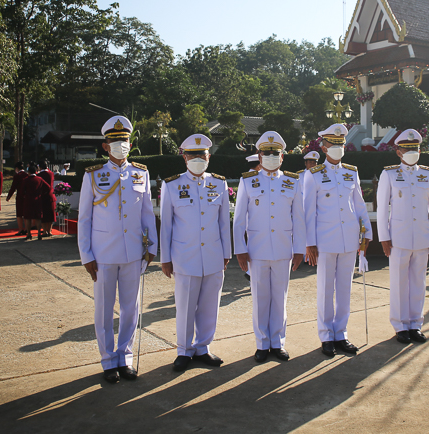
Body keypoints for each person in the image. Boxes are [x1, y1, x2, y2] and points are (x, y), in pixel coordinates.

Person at [78, 116, 157, 383]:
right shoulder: (93, 175)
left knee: (130, 308)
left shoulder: (141, 173)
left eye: (123, 141)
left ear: (130, 144)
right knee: (103, 309)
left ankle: (125, 357)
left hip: (133, 252)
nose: (119, 145)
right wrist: (86, 254)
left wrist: (151, 246)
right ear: (105, 146)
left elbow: (147, 213)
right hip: (103, 255)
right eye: (114, 141)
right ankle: (108, 360)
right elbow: (85, 219)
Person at [160, 133, 231, 372]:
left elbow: (224, 223)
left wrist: (226, 253)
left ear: (209, 157)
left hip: (213, 254)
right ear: (184, 158)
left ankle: (203, 347)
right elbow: (167, 226)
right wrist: (166, 258)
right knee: (186, 306)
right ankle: (183, 350)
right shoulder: (172, 185)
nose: (198, 159)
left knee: (210, 305)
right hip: (184, 257)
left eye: (202, 154)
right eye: (193, 155)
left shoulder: (219, 183)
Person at [233, 131, 305, 363]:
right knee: (260, 298)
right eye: (267, 153)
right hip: (257, 250)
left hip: (284, 249)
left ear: (282, 157)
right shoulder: (247, 181)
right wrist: (240, 249)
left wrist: (299, 249)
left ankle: (278, 342)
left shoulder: (292, 181)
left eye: (276, 153)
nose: (272, 156)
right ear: (259, 155)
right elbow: (239, 219)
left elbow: (299, 218)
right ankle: (262, 343)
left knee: (280, 298)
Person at [303, 123, 371, 357]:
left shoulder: (351, 172)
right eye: (333, 144)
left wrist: (367, 233)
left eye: (341, 144)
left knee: (344, 288)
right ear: (323, 147)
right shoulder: (313, 175)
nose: (338, 148)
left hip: (349, 239)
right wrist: (309, 243)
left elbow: (359, 205)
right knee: (325, 289)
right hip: (325, 240)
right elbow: (308, 212)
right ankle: (326, 335)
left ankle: (340, 333)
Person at [376, 129, 429, 344]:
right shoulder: (389, 174)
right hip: (399, 238)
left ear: (420, 150)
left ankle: (415, 323)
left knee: (418, 282)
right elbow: (382, 209)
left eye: (414, 148)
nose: (411, 152)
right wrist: (384, 238)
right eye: (406, 148)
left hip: (423, 237)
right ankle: (400, 325)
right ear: (398, 152)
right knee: (398, 283)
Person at [20, 164, 50, 241]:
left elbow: (21, 192)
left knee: (28, 218)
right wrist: (42, 193)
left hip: (28, 200)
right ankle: (39, 233)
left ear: (28, 172)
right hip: (38, 200)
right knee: (38, 218)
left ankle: (29, 234)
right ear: (36, 171)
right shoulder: (39, 179)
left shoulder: (26, 180)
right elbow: (48, 187)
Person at [6, 162, 28, 235]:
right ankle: (27, 229)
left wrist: (9, 196)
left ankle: (21, 229)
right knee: (26, 213)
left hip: (20, 196)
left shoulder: (17, 176)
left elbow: (13, 187)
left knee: (19, 214)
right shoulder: (27, 175)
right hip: (27, 196)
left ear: (16, 168)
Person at [38, 161, 56, 237]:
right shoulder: (51, 174)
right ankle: (50, 230)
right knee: (51, 214)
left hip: (42, 196)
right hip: (51, 195)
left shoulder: (39, 175)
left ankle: (45, 231)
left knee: (43, 214)